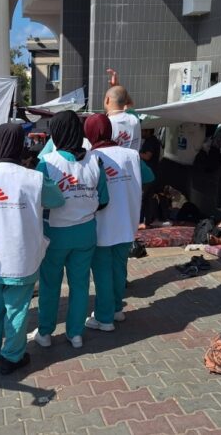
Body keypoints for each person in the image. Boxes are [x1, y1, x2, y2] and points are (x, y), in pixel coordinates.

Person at [0, 123, 64, 374]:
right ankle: (11, 357)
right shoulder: (35, 178)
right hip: (22, 258)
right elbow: (57, 200)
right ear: (22, 146)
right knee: (17, 310)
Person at [31, 110, 109, 349]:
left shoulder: (47, 163)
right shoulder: (95, 161)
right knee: (80, 284)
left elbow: (37, 201)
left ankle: (45, 333)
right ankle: (75, 334)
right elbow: (104, 199)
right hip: (86, 232)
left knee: (50, 284)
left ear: (56, 133)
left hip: (55, 234)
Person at [83, 114, 154, 331]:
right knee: (119, 269)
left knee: (102, 273)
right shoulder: (131, 154)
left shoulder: (91, 157)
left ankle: (104, 319)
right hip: (127, 221)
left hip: (102, 224)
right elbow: (149, 176)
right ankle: (116, 309)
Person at [105, 69, 141, 151]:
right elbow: (130, 103)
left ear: (107, 100)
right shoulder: (134, 118)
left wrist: (116, 88)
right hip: (134, 159)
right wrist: (117, 87)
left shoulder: (106, 124)